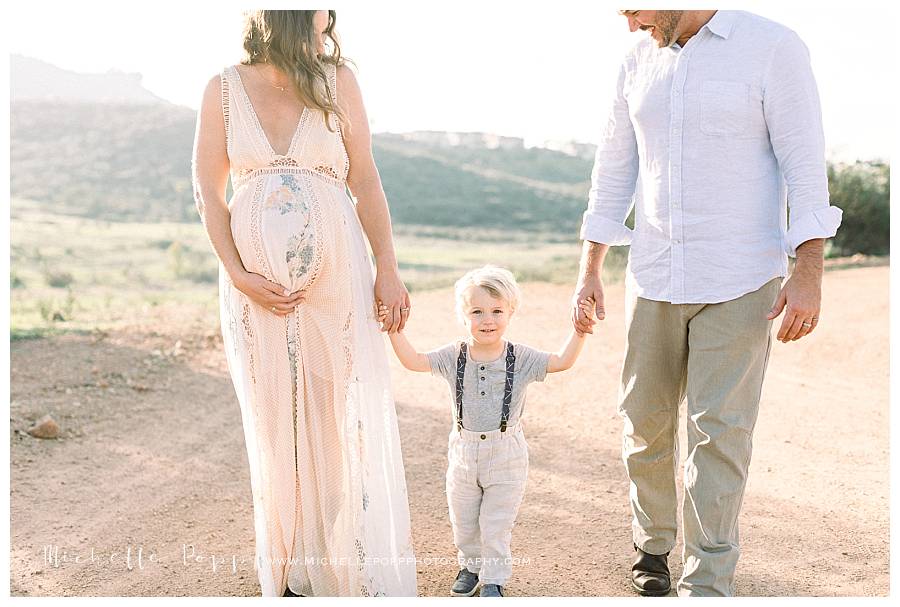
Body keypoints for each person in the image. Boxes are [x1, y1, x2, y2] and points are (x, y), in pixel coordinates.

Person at [571, 10, 842, 597]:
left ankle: (708, 579)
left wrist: (809, 271)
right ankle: (652, 545)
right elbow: (613, 166)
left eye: (633, 7)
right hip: (653, 273)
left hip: (742, 276)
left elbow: (804, 165)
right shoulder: (635, 58)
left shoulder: (774, 46)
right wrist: (589, 267)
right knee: (643, 424)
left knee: (719, 432)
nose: (627, 22)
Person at [191, 10, 417, 597]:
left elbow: (364, 178)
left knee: (327, 417)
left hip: (336, 279)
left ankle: (323, 555)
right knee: (273, 424)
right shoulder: (223, 88)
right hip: (254, 292)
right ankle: (286, 563)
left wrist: (387, 267)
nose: (329, 21)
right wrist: (237, 272)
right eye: (319, 13)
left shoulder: (337, 80)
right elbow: (207, 191)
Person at [380, 266, 593, 597]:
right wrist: (393, 330)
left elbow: (561, 361)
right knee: (463, 521)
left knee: (496, 524)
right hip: (463, 454)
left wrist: (579, 331)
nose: (487, 319)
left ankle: (493, 579)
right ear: (463, 316)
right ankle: (470, 565)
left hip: (505, 455)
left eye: (496, 311)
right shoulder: (455, 355)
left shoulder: (520, 358)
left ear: (510, 312)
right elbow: (414, 361)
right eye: (477, 311)